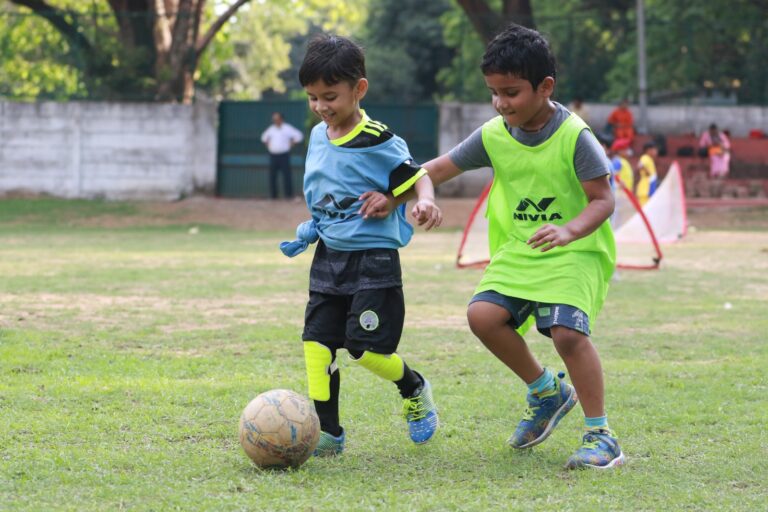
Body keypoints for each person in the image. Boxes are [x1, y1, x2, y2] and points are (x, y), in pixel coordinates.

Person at [361, 23, 624, 469]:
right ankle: (546, 391)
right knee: (482, 316)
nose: (501, 103)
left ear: (545, 87)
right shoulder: (494, 133)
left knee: (566, 333)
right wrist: (393, 196)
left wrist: (569, 231)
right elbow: (437, 169)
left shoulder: (575, 137)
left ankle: (601, 434)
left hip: (575, 250)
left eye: (512, 92)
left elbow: (604, 200)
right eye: (494, 93)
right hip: (521, 249)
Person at [281, 33, 443, 457]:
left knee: (364, 349)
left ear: (359, 89)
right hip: (329, 256)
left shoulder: (377, 138)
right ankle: (328, 432)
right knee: (317, 343)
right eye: (313, 97)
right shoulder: (319, 135)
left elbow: (418, 174)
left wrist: (417, 200)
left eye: (330, 96)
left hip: (373, 261)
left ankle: (413, 386)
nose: (321, 107)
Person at [260, 112, 304, 199]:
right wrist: (268, 144)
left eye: (277, 119)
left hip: (284, 155)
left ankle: (288, 195)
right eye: (274, 119)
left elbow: (299, 135)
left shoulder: (287, 128)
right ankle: (274, 196)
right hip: (273, 155)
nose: (275, 121)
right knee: (272, 176)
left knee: (287, 175)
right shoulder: (271, 129)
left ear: (281, 119)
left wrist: (293, 142)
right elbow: (263, 137)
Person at [635, 141, 658, 206]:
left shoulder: (650, 159)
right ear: (649, 150)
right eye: (654, 149)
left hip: (649, 189)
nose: (656, 151)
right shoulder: (645, 157)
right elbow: (639, 166)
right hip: (645, 190)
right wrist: (647, 171)